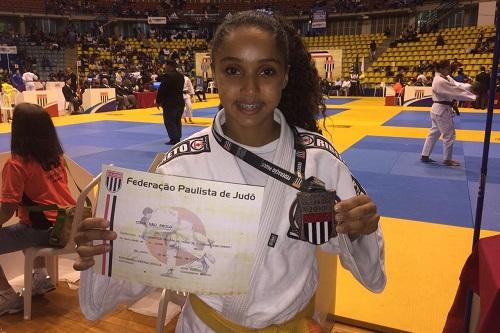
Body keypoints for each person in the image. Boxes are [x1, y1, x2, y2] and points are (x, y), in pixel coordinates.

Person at [74, 11, 386, 332]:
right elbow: (115, 290)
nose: (250, 89)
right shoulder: (180, 167)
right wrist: (106, 249)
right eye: (234, 70)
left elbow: (372, 277)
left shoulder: (319, 161)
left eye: (266, 71)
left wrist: (359, 229)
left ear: (286, 77)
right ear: (215, 74)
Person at [0, 103, 76, 316]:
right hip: (68, 225)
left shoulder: (16, 164)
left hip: (44, 231)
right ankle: (41, 278)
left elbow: (6, 210)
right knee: (28, 224)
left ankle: (7, 298)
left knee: (27, 228)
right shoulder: (56, 157)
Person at [421, 60, 476, 167]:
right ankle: (447, 159)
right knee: (449, 135)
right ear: (440, 69)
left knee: (434, 133)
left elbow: (458, 85)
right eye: (447, 68)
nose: (449, 70)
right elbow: (455, 91)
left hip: (439, 109)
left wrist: (471, 86)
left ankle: (425, 154)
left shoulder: (446, 77)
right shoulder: (439, 81)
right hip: (441, 110)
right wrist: (474, 97)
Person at [156, 60, 185, 145]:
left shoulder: (167, 76)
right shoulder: (181, 76)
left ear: (169, 66)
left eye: (166, 66)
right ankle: (178, 137)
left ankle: (174, 139)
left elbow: (162, 90)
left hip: (170, 103)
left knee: (169, 121)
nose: (165, 67)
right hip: (180, 102)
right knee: (177, 120)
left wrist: (158, 101)